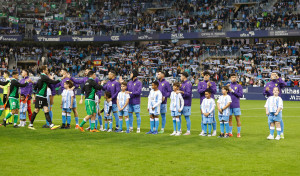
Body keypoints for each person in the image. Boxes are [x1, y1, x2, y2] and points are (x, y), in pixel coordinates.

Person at [28, 66, 61, 130]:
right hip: (40, 96)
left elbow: (36, 85)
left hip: (43, 96)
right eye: (46, 69)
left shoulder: (41, 76)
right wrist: (60, 79)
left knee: (46, 109)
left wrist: (34, 93)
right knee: (36, 110)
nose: (47, 70)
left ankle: (51, 125)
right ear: (43, 70)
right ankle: (30, 124)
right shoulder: (44, 77)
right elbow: (52, 82)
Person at [263, 72, 286, 139]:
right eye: (272, 74)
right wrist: (266, 91)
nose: (273, 75)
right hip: (270, 103)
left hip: (277, 103)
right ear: (270, 77)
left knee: (279, 120)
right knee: (270, 121)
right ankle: (271, 134)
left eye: (274, 74)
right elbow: (264, 93)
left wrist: (279, 78)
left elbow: (284, 84)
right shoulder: (268, 84)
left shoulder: (278, 82)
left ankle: (281, 133)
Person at [198, 71, 217, 136]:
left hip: (211, 103)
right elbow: (199, 91)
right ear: (203, 76)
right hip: (203, 102)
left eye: (207, 75)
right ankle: (203, 130)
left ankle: (214, 131)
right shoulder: (200, 83)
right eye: (205, 75)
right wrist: (206, 88)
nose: (206, 76)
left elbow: (214, 92)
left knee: (213, 118)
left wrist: (210, 86)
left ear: (209, 76)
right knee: (203, 118)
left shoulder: (212, 83)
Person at [228, 73, 243, 138]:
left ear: (236, 78)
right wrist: (227, 89)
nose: (233, 78)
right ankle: (230, 132)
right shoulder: (228, 86)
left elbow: (241, 95)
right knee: (230, 119)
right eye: (232, 77)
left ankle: (238, 133)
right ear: (230, 78)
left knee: (237, 119)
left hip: (236, 105)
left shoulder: (239, 86)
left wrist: (233, 91)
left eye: (234, 77)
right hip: (229, 105)